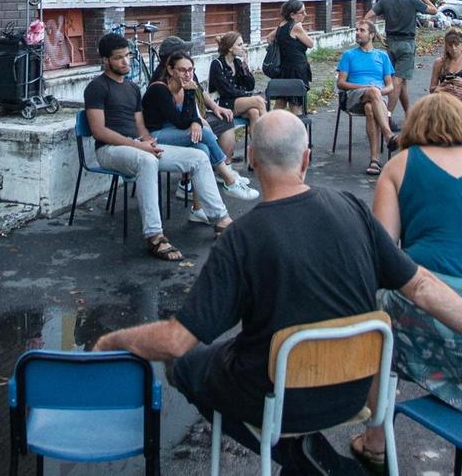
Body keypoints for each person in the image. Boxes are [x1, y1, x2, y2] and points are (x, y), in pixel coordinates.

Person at [93, 110, 462, 473]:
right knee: (229, 354)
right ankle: (306, 452)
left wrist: (111, 342)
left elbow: (176, 341)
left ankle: (295, 456)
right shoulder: (352, 209)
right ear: (307, 158)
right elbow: (422, 285)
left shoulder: (241, 238)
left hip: (279, 401)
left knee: (186, 365)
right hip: (354, 393)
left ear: (252, 159)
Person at [350, 93, 462, 471]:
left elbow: (385, 252)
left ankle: (376, 440)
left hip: (426, 300)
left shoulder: (398, 167)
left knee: (381, 314)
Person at [84, 32, 234, 261]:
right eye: (118, 58)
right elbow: (99, 131)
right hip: (109, 150)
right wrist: (139, 147)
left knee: (198, 157)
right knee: (146, 160)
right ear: (105, 60)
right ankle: (154, 236)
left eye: (128, 56)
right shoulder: (96, 87)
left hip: (137, 147)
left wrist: (147, 141)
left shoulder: (132, 88)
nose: (126, 62)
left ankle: (221, 220)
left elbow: (140, 126)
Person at [142, 50, 259, 206]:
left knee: (202, 149)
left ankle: (198, 209)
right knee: (203, 131)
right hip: (155, 136)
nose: (187, 74)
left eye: (190, 70)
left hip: (174, 131)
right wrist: (194, 115)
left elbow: (189, 116)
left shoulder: (184, 87)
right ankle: (229, 179)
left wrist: (195, 119)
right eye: (182, 70)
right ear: (170, 70)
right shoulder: (160, 89)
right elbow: (181, 122)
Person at [364, 0, 438, 118]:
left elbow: (367, 18)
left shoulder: (385, 1)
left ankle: (409, 114)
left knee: (400, 81)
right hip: (407, 45)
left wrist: (378, 36)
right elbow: (434, 10)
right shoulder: (413, 2)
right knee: (397, 80)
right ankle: (386, 115)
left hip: (390, 44)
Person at [336, 20, 399, 175]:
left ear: (371, 35)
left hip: (376, 99)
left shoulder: (382, 56)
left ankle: (374, 161)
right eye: (356, 30)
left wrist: (378, 92)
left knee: (370, 108)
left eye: (362, 30)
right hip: (354, 97)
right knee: (372, 92)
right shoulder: (349, 55)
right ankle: (388, 134)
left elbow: (390, 86)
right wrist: (367, 89)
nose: (357, 32)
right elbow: (341, 83)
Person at [265, 0, 314, 114]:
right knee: (295, 104)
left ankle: (270, 127)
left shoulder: (281, 26)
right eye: (302, 12)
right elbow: (311, 44)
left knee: (280, 102)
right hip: (296, 70)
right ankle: (297, 131)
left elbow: (269, 38)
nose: (305, 15)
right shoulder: (296, 27)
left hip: (283, 68)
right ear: (292, 15)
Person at [208, 31, 265, 126]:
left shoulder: (237, 62)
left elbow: (250, 86)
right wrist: (248, 95)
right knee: (258, 100)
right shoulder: (217, 64)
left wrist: (245, 67)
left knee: (254, 112)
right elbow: (227, 91)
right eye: (239, 45)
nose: (243, 47)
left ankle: (259, 140)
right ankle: (271, 131)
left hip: (237, 101)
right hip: (222, 103)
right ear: (230, 48)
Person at [429, 27, 462, 94]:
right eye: (450, 45)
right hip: (445, 99)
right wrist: (442, 87)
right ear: (446, 46)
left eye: (456, 45)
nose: (454, 48)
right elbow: (431, 90)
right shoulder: (439, 62)